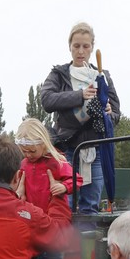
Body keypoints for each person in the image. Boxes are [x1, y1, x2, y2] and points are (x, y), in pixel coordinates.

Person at [41, 21, 120, 215]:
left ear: (92, 47)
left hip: (96, 150)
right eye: (76, 46)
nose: (81, 51)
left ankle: (88, 237)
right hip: (67, 149)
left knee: (90, 206)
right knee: (64, 206)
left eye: (85, 46)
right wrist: (79, 96)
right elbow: (47, 100)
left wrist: (108, 113)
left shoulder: (102, 76)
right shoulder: (59, 74)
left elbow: (116, 114)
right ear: (69, 46)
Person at [14, 118, 74, 259]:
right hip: (35, 214)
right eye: (24, 151)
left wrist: (63, 186)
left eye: (32, 151)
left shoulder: (56, 161)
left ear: (43, 143)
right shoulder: (24, 165)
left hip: (52, 213)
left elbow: (75, 179)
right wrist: (19, 191)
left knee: (53, 248)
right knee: (39, 248)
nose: (29, 155)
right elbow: (19, 182)